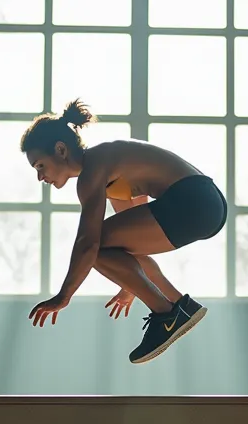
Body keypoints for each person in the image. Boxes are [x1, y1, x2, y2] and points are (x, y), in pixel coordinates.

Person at [22, 99, 227, 364]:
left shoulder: (95, 169)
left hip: (194, 202)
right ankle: (180, 305)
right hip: (207, 204)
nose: (40, 178)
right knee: (107, 244)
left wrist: (64, 296)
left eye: (40, 166)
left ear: (60, 150)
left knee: (96, 243)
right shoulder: (109, 171)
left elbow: (88, 243)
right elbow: (130, 243)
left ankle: (167, 314)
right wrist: (130, 283)